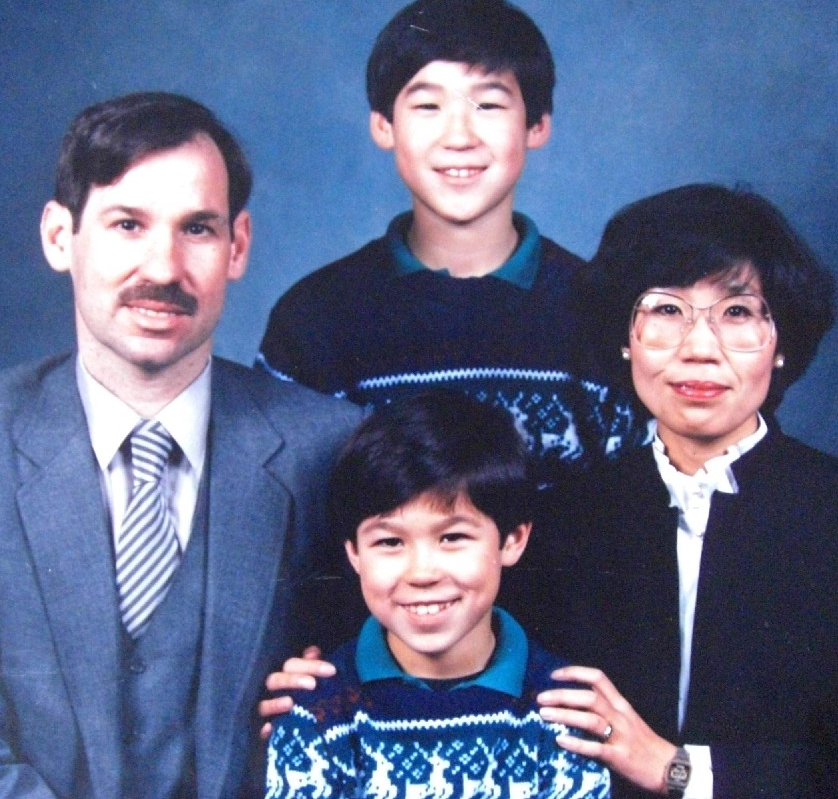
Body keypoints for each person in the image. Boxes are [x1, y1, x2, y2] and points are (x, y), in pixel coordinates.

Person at [0, 92, 361, 797]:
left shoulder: (330, 450)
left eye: (197, 228)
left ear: (239, 246)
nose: (163, 268)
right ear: (58, 237)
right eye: (127, 224)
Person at [256, 0, 646, 478]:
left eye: (488, 105)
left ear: (537, 125)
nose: (459, 137)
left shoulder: (601, 312)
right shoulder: (316, 319)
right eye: (427, 107)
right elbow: (287, 516)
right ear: (383, 125)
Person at [525, 184, 838, 797]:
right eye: (667, 311)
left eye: (738, 313)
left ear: (781, 347)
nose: (700, 349)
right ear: (625, 336)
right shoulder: (563, 519)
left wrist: (678, 770)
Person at [265, 391, 610, 798]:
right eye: (390, 542)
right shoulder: (318, 711)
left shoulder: (562, 709)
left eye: (452, 537)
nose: (422, 573)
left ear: (512, 540)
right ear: (353, 553)